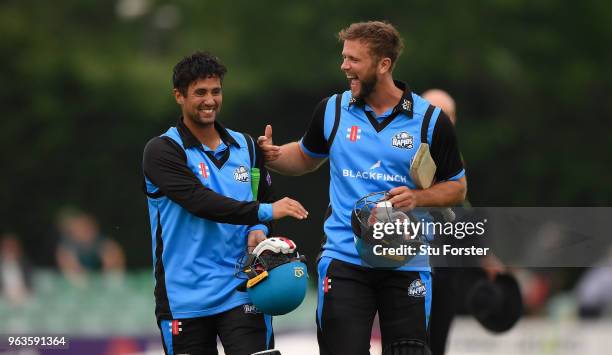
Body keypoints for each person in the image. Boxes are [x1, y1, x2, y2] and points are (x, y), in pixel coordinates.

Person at [258, 21, 466, 355]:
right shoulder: (332, 109)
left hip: (407, 264)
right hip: (344, 260)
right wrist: (273, 155)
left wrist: (419, 197)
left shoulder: (431, 121)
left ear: (383, 64)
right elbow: (305, 156)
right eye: (344, 57)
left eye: (353, 59)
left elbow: (457, 187)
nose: (344, 66)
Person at [142, 51, 308, 355]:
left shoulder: (245, 145)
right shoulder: (162, 150)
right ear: (179, 96)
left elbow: (262, 198)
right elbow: (199, 202)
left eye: (216, 91)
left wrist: (259, 224)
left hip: (243, 288)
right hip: (185, 299)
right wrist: (264, 212)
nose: (210, 100)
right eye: (200, 93)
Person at [55, 209, 125, 287]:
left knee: (113, 278)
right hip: (79, 279)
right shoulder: (66, 247)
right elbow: (69, 269)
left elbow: (115, 266)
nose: (84, 231)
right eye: (79, 228)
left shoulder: (104, 243)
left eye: (87, 227)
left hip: (102, 277)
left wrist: (109, 279)